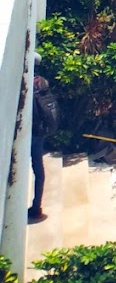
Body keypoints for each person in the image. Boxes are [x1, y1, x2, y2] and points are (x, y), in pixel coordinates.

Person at [29, 71, 53, 223]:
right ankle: (37, 206)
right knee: (38, 170)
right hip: (41, 132)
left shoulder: (29, 87)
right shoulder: (42, 82)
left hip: (31, 134)